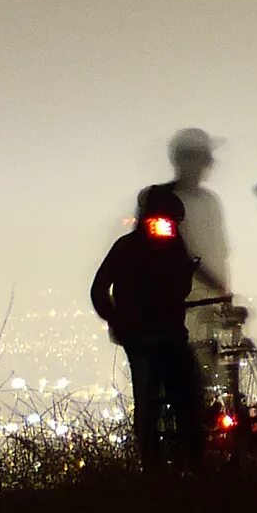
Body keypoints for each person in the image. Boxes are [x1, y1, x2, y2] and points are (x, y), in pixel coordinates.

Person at [89, 183, 212, 465]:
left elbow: (178, 291)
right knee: (148, 401)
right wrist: (121, 321)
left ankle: (190, 460)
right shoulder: (127, 248)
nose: (164, 228)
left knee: (187, 396)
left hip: (170, 336)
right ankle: (154, 466)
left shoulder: (174, 247)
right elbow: (99, 291)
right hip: (141, 339)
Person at [167, 127, 231, 368]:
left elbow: (220, 252)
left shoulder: (206, 202)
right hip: (186, 301)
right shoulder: (200, 202)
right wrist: (221, 288)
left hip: (196, 302)